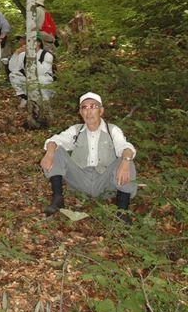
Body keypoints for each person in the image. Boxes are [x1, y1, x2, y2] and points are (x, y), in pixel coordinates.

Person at [40, 92, 137, 224]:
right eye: (84, 107)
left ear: (101, 111)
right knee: (57, 149)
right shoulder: (76, 130)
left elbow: (125, 146)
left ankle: (122, 211)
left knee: (127, 158)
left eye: (93, 106)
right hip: (80, 179)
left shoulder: (112, 130)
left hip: (104, 181)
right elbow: (55, 140)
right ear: (80, 112)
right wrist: (50, 152)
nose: (89, 111)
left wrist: (125, 161)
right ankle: (58, 199)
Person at [8, 34, 27, 107]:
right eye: (20, 40)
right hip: (22, 75)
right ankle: (23, 97)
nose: (21, 41)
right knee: (13, 75)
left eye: (23, 39)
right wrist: (16, 54)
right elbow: (12, 67)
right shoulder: (19, 51)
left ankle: (25, 97)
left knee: (14, 75)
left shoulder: (37, 51)